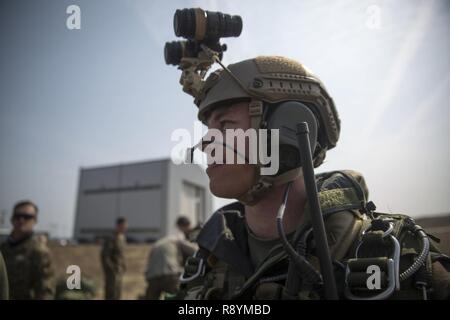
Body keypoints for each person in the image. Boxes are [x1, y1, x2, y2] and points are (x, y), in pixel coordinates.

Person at [177, 56, 450, 300]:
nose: (205, 144)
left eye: (225, 125)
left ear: (286, 129)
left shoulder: (395, 259)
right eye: (207, 129)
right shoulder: (208, 259)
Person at [0, 200, 54, 299]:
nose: (21, 220)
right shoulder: (2, 248)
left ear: (35, 220)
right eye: (18, 216)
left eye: (27, 217)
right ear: (12, 219)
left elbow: (44, 291)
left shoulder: (39, 252)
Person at [144, 216, 198, 299]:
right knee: (177, 296)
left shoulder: (160, 242)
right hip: (170, 274)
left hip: (153, 276)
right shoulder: (177, 238)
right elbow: (194, 250)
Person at [100, 216, 127, 300]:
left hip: (119, 271)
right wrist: (111, 269)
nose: (125, 228)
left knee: (118, 293)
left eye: (125, 226)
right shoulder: (111, 238)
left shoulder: (122, 238)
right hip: (112, 272)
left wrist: (123, 266)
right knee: (111, 293)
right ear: (118, 226)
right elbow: (105, 256)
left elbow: (121, 255)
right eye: (123, 226)